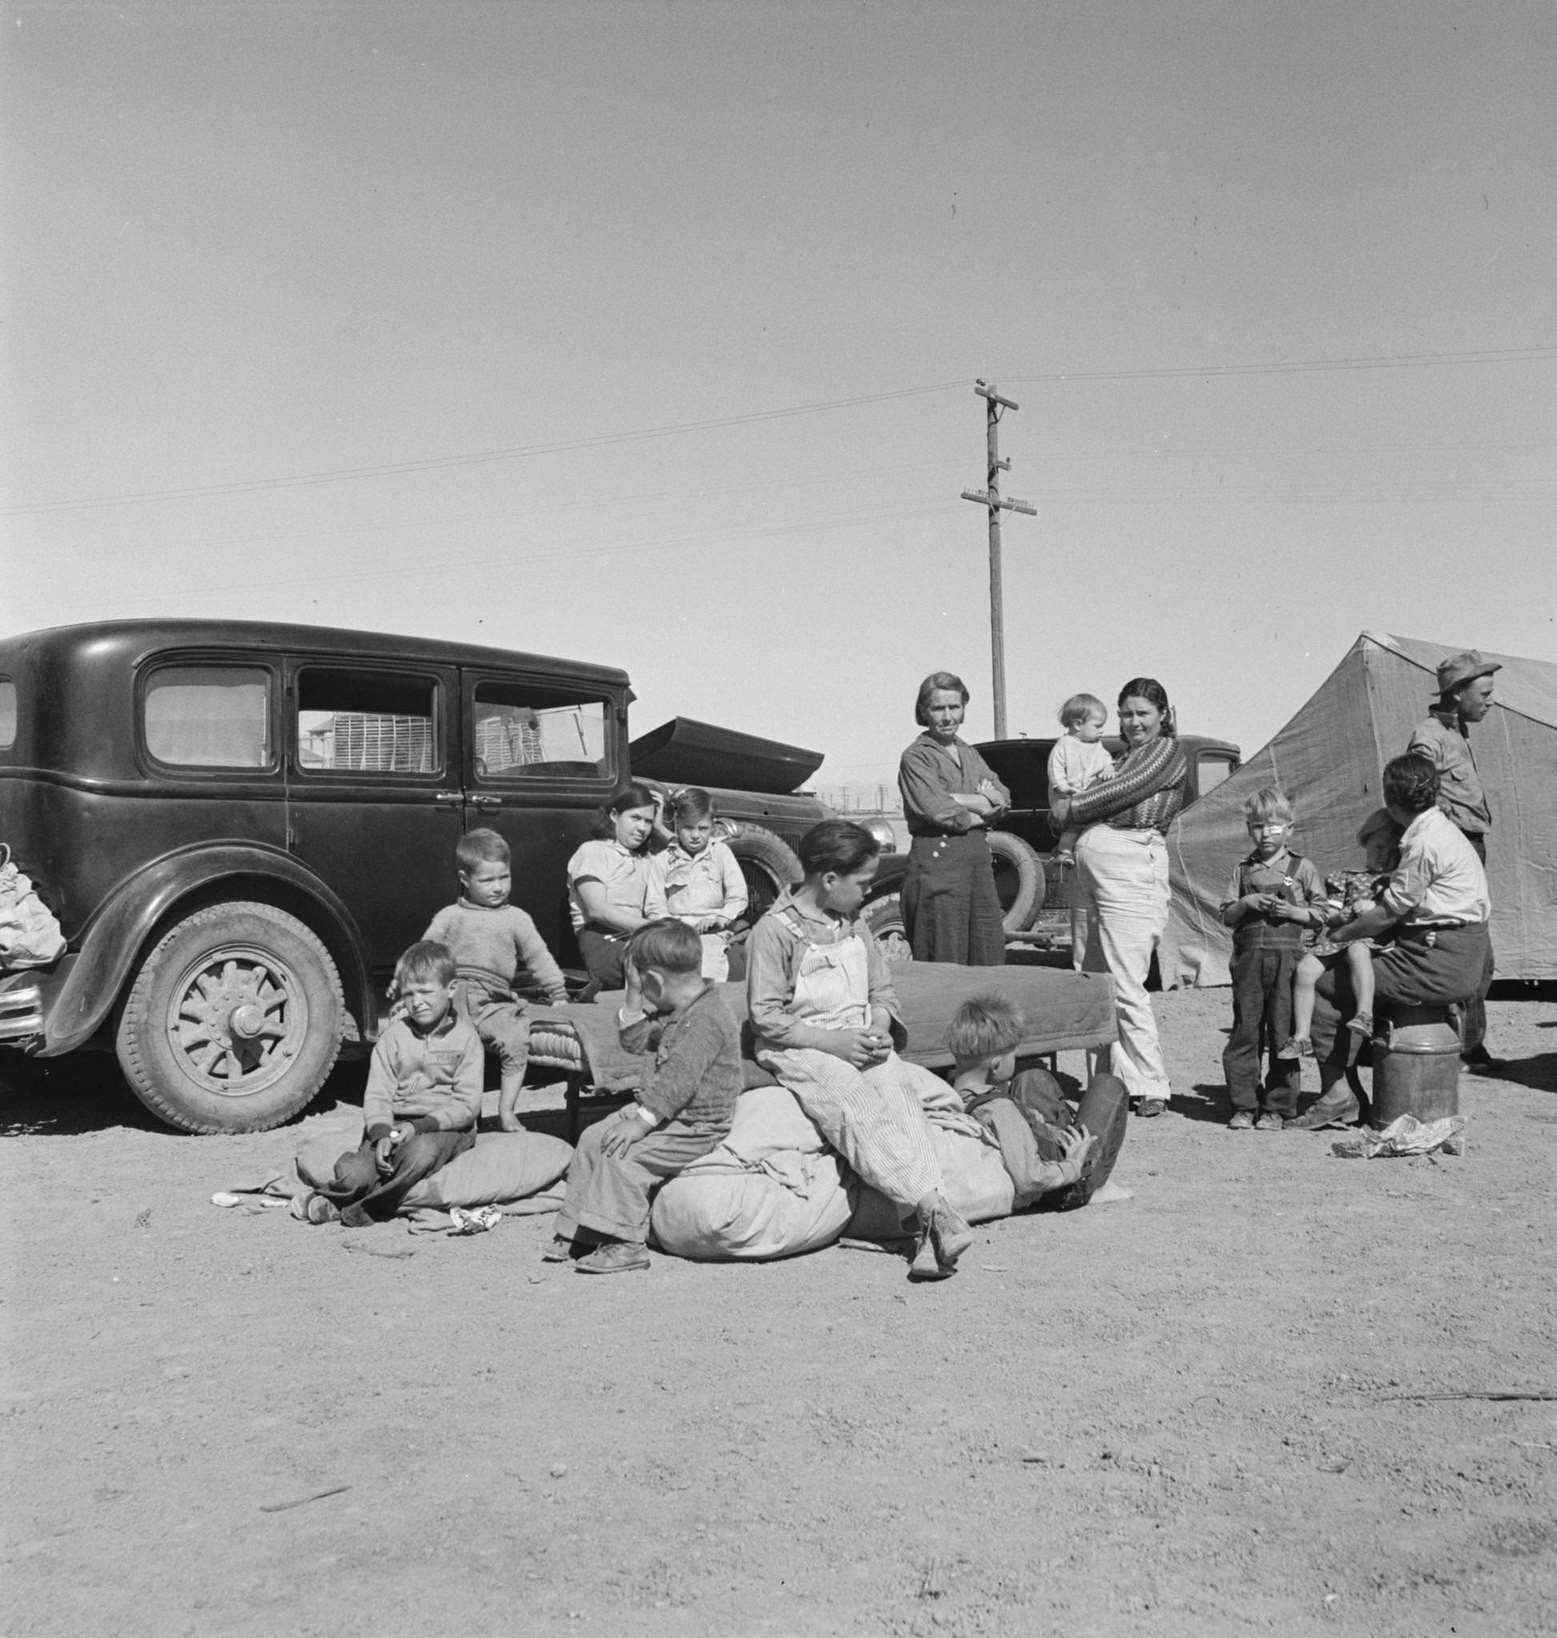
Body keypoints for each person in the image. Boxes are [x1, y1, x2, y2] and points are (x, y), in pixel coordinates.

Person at [747, 819, 975, 1281]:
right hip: (799, 1044)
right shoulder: (774, 932)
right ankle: (935, 1207)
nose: (866, 894)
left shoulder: (853, 924)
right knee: (856, 1107)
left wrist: (879, 1027)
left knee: (901, 1105)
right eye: (863, 884)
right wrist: (833, 1042)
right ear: (829, 880)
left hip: (857, 1038)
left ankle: (928, 1234)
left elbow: (882, 989)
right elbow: (766, 1017)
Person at [1288, 754, 1492, 1130]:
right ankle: (1344, 1092)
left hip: (1435, 959)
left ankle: (1337, 1096)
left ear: (1390, 799)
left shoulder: (1423, 843)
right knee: (1351, 968)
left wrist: (1338, 935)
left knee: (1322, 982)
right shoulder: (1444, 830)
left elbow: (1388, 913)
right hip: (1452, 952)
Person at [544, 920, 743, 1274]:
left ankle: (626, 1243)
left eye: (642, 986)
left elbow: (679, 1082)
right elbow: (635, 1042)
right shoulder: (673, 1010)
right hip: (662, 1110)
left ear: (655, 980)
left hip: (695, 1122)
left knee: (626, 1157)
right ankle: (583, 1227)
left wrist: (640, 1124)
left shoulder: (706, 1019)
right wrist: (634, 995)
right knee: (592, 1139)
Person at [1050, 678, 1188, 1119]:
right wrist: (1082, 807)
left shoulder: (1166, 753)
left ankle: (1149, 1083)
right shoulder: (1119, 756)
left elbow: (1114, 794)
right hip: (1090, 870)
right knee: (1090, 976)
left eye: (1142, 713)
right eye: (1126, 714)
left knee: (1126, 979)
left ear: (1163, 714)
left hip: (1130, 865)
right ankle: (1105, 1081)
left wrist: (1072, 807)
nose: (1133, 722)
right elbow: (1103, 796)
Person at [300, 941, 481, 1226]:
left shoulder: (467, 1039)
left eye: (426, 992)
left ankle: (357, 1207)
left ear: (451, 989)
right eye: (409, 993)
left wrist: (419, 1127)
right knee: (355, 1171)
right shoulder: (393, 1038)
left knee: (420, 1154)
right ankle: (355, 1188)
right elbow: (378, 1096)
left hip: (444, 1128)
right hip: (395, 1124)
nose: (416, 1001)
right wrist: (382, 1133)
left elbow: (467, 1106)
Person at [423, 828, 569, 1133]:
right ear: (465, 879)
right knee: (449, 1053)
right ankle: (460, 1115)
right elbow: (426, 954)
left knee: (516, 1040)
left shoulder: (517, 918)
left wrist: (557, 992)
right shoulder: (450, 916)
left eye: (504, 877)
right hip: (454, 999)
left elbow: (538, 956)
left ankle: (506, 1110)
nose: (498, 887)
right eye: (487, 881)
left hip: (494, 1001)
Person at [946, 995, 1129, 1210]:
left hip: (1042, 1159)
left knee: (1031, 1077)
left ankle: (1062, 1137)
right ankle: (1091, 1187)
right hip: (1060, 1184)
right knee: (1108, 1084)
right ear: (996, 1065)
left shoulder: (949, 1094)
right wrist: (1073, 1164)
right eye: (1012, 1055)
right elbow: (1028, 1179)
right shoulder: (1000, 1109)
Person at [1407, 650, 1501, 1068]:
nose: (1490, 700)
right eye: (1484, 693)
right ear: (1458, 693)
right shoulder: (1430, 736)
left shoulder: (1456, 731)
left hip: (1469, 845)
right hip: (1455, 850)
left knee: (1477, 948)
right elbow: (1417, 787)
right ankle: (1462, 1046)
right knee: (1465, 947)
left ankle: (1467, 1043)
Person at [1217, 788, 1326, 1130]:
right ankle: (1244, 1105)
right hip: (1249, 964)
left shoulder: (1302, 867)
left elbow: (1323, 913)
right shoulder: (1243, 870)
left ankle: (1278, 1106)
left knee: (1283, 1034)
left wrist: (1292, 910)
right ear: (1249, 829)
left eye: (1274, 827)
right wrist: (1247, 905)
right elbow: (1227, 916)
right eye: (1258, 826)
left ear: (1289, 830)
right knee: (1246, 1033)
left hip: (1288, 964)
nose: (1266, 834)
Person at [896, 670, 1011, 965]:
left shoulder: (968, 752)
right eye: (938, 708)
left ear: (963, 708)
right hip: (938, 871)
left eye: (954, 707)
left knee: (989, 960)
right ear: (923, 711)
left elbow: (1004, 796)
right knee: (944, 964)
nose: (947, 716)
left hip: (979, 872)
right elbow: (938, 809)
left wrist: (962, 799)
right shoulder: (916, 756)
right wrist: (983, 806)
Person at [1277, 809, 1401, 1061]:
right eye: (1378, 847)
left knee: (1358, 951)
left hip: (1371, 940)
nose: (1384, 855)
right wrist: (1340, 916)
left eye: (1392, 851)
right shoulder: (1345, 878)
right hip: (1339, 938)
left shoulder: (1396, 882)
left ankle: (1364, 1014)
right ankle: (1301, 1036)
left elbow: (1395, 913)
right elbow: (1329, 915)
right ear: (1366, 843)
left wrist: (1374, 909)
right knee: (1305, 970)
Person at [566, 782, 664, 996]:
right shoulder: (593, 851)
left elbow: (681, 864)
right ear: (614, 815)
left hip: (637, 935)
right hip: (602, 938)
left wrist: (661, 828)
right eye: (635, 818)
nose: (642, 828)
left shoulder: (646, 859)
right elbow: (597, 909)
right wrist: (652, 928)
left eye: (648, 821)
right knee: (661, 959)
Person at [644, 786, 749, 982]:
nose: (695, 835)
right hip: (674, 930)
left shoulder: (721, 853)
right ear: (677, 825)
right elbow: (654, 905)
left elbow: (738, 896)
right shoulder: (663, 860)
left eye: (703, 828)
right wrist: (674, 925)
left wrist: (720, 918)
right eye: (688, 828)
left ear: (712, 826)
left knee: (709, 967)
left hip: (713, 931)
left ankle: (709, 1009)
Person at [1047, 692, 1114, 973]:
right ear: (1077, 724)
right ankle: (1064, 852)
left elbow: (1107, 763)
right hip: (1068, 795)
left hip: (1088, 797)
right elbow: (1055, 770)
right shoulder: (1064, 745)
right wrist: (1063, 786)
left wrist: (1109, 769)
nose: (1101, 731)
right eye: (1097, 725)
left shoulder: (1098, 748)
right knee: (1072, 824)